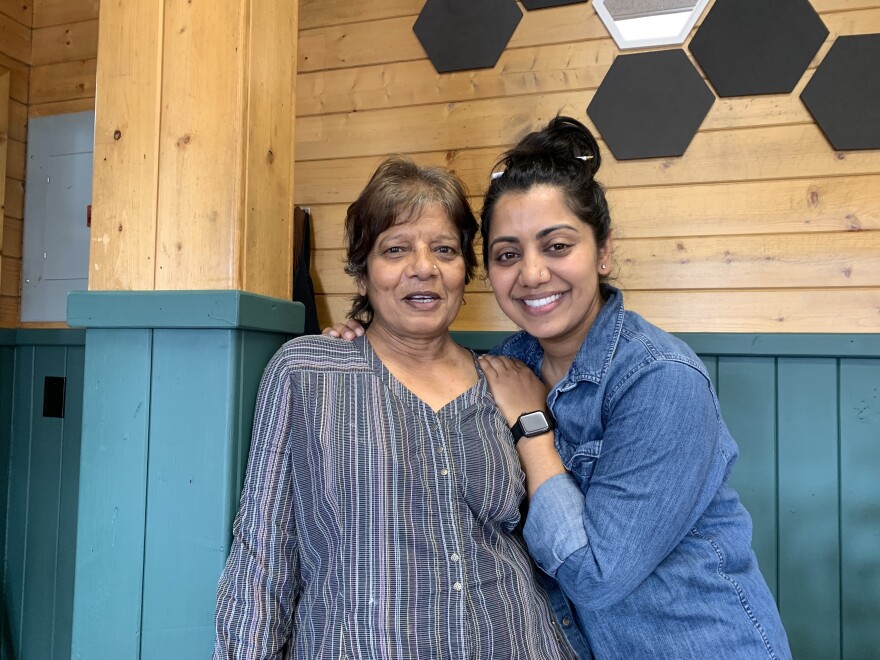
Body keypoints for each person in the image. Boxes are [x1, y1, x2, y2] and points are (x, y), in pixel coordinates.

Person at [328, 117, 792, 659]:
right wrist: (362, 338)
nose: (531, 274)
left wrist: (534, 431)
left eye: (556, 245)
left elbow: (596, 576)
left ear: (603, 252)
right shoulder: (504, 367)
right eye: (507, 254)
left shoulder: (661, 379)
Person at [213, 156, 579, 659]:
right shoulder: (308, 373)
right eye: (396, 249)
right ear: (362, 274)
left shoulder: (508, 379)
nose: (423, 267)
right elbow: (262, 558)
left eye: (444, 250)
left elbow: (553, 542)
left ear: (464, 272)